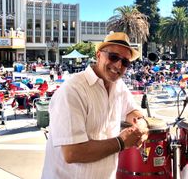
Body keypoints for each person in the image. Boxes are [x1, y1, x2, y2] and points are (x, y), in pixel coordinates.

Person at [41, 32, 149, 179]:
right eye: (114, 57)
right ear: (99, 55)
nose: (118, 65)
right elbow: (73, 152)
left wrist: (141, 124)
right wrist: (121, 142)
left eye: (125, 62)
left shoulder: (118, 85)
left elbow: (132, 111)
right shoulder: (73, 90)